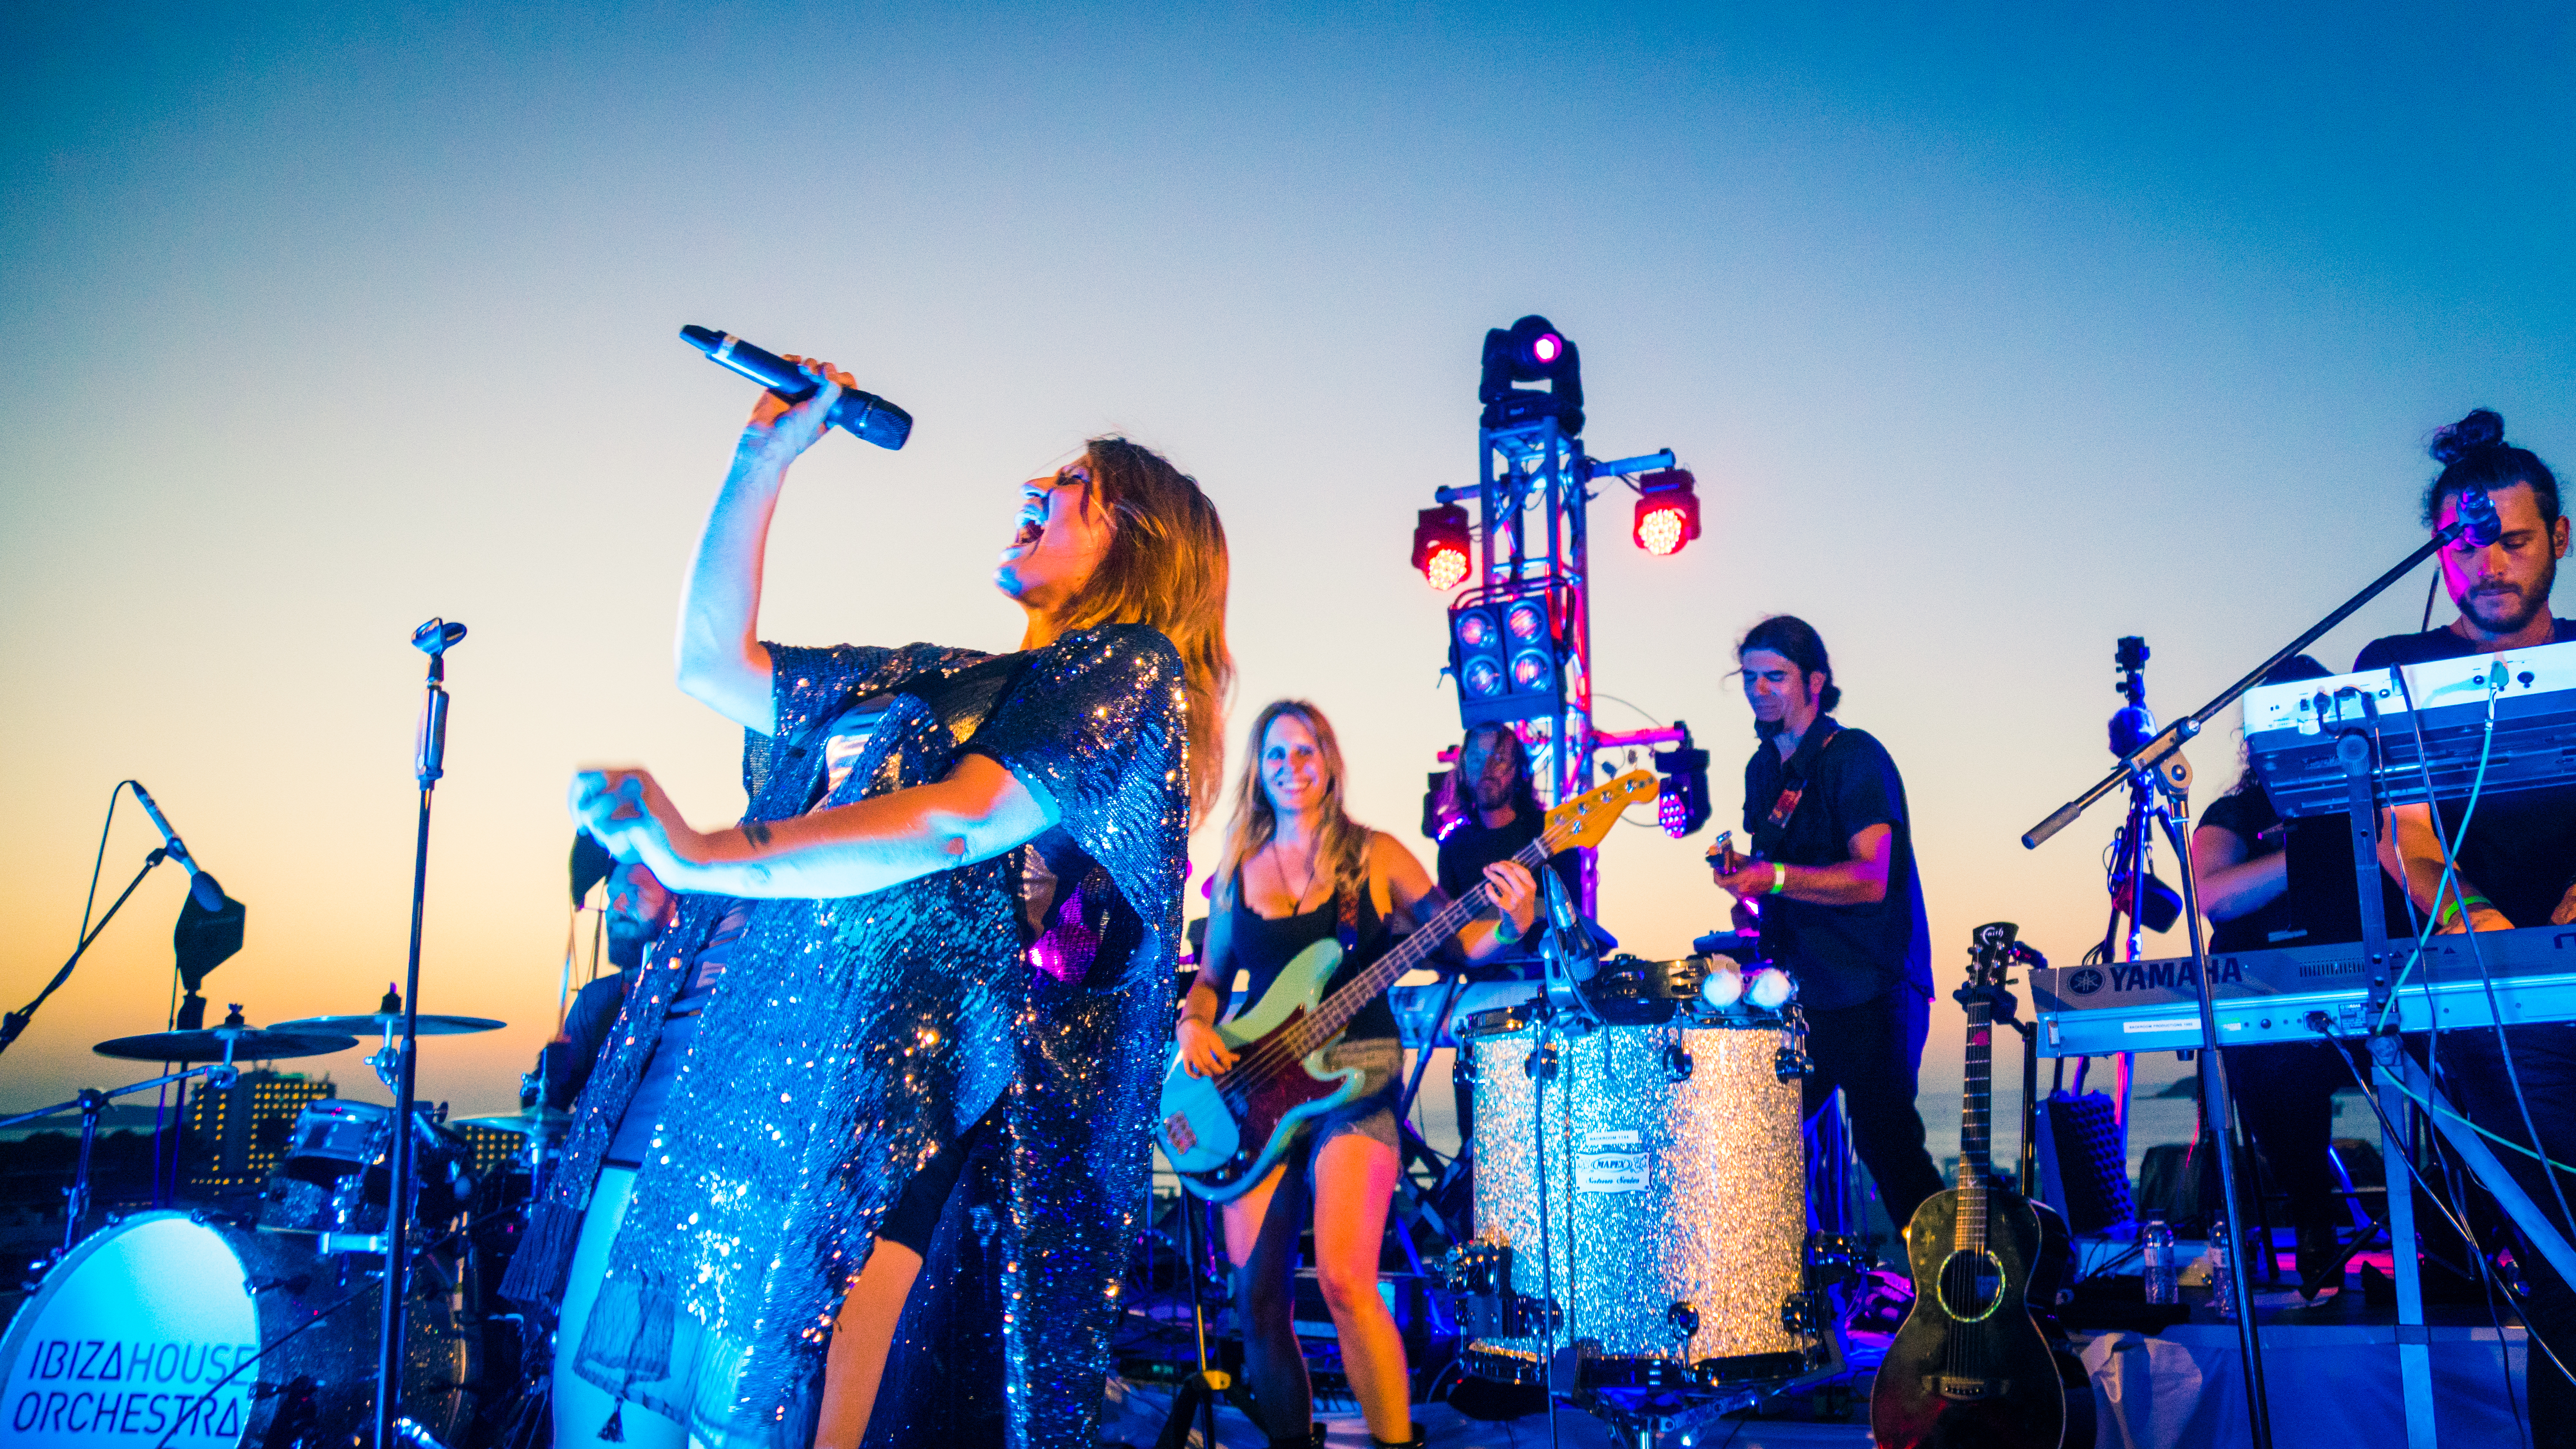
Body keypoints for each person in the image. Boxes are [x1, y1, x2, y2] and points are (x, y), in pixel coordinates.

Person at [524, 356, 1231, 1449]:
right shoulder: (943, 679)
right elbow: (713, 662)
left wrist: (708, 851)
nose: (1038, 485)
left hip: (903, 1123)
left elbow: (956, 822)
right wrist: (763, 458)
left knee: (804, 1416)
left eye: (1076, 482)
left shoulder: (1134, 673)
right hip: (764, 1077)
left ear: (1139, 537)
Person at [1175, 701, 1537, 1449]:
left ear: (1330, 763)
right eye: (1276, 756)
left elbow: (1459, 943)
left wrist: (1512, 920)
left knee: (1345, 1279)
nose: (1291, 768)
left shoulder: (1373, 857)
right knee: (1257, 1301)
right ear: (1258, 771)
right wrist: (1193, 1021)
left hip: (1356, 1077)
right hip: (1249, 1090)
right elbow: (1212, 979)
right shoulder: (1236, 871)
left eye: (1305, 753)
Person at [2357, 408, 2576, 1443]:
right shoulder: (2396, 658)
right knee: (2562, 1250)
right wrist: (2499, 933)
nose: (2485, 561)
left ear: (2561, 540)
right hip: (2495, 994)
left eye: (2512, 538)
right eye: (2462, 541)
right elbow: (2405, 840)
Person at [1709, 615, 1945, 1240]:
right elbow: (1775, 882)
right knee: (1759, 1142)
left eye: (1775, 677)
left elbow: (1871, 877)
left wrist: (1772, 878)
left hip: (1871, 985)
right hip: (1802, 997)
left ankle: (1963, 1301)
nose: (1760, 690)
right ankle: (1804, 1300)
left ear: (1815, 681)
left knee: (1888, 1148)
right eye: (1751, 677)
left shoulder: (1854, 756)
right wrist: (1747, 894)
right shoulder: (1763, 770)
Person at [2189, 655, 2362, 1298]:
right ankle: (2315, 1218)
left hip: (2369, 994)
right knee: (2271, 1059)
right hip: (2271, 1004)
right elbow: (2213, 894)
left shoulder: (2367, 796)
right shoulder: (2235, 811)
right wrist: (2305, 856)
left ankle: (2462, 1230)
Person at [525, 854, 678, 1113]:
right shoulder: (595, 999)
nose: (616, 908)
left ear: (676, 903)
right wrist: (549, 1078)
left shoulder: (701, 987)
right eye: (612, 896)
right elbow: (546, 1112)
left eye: (635, 894)